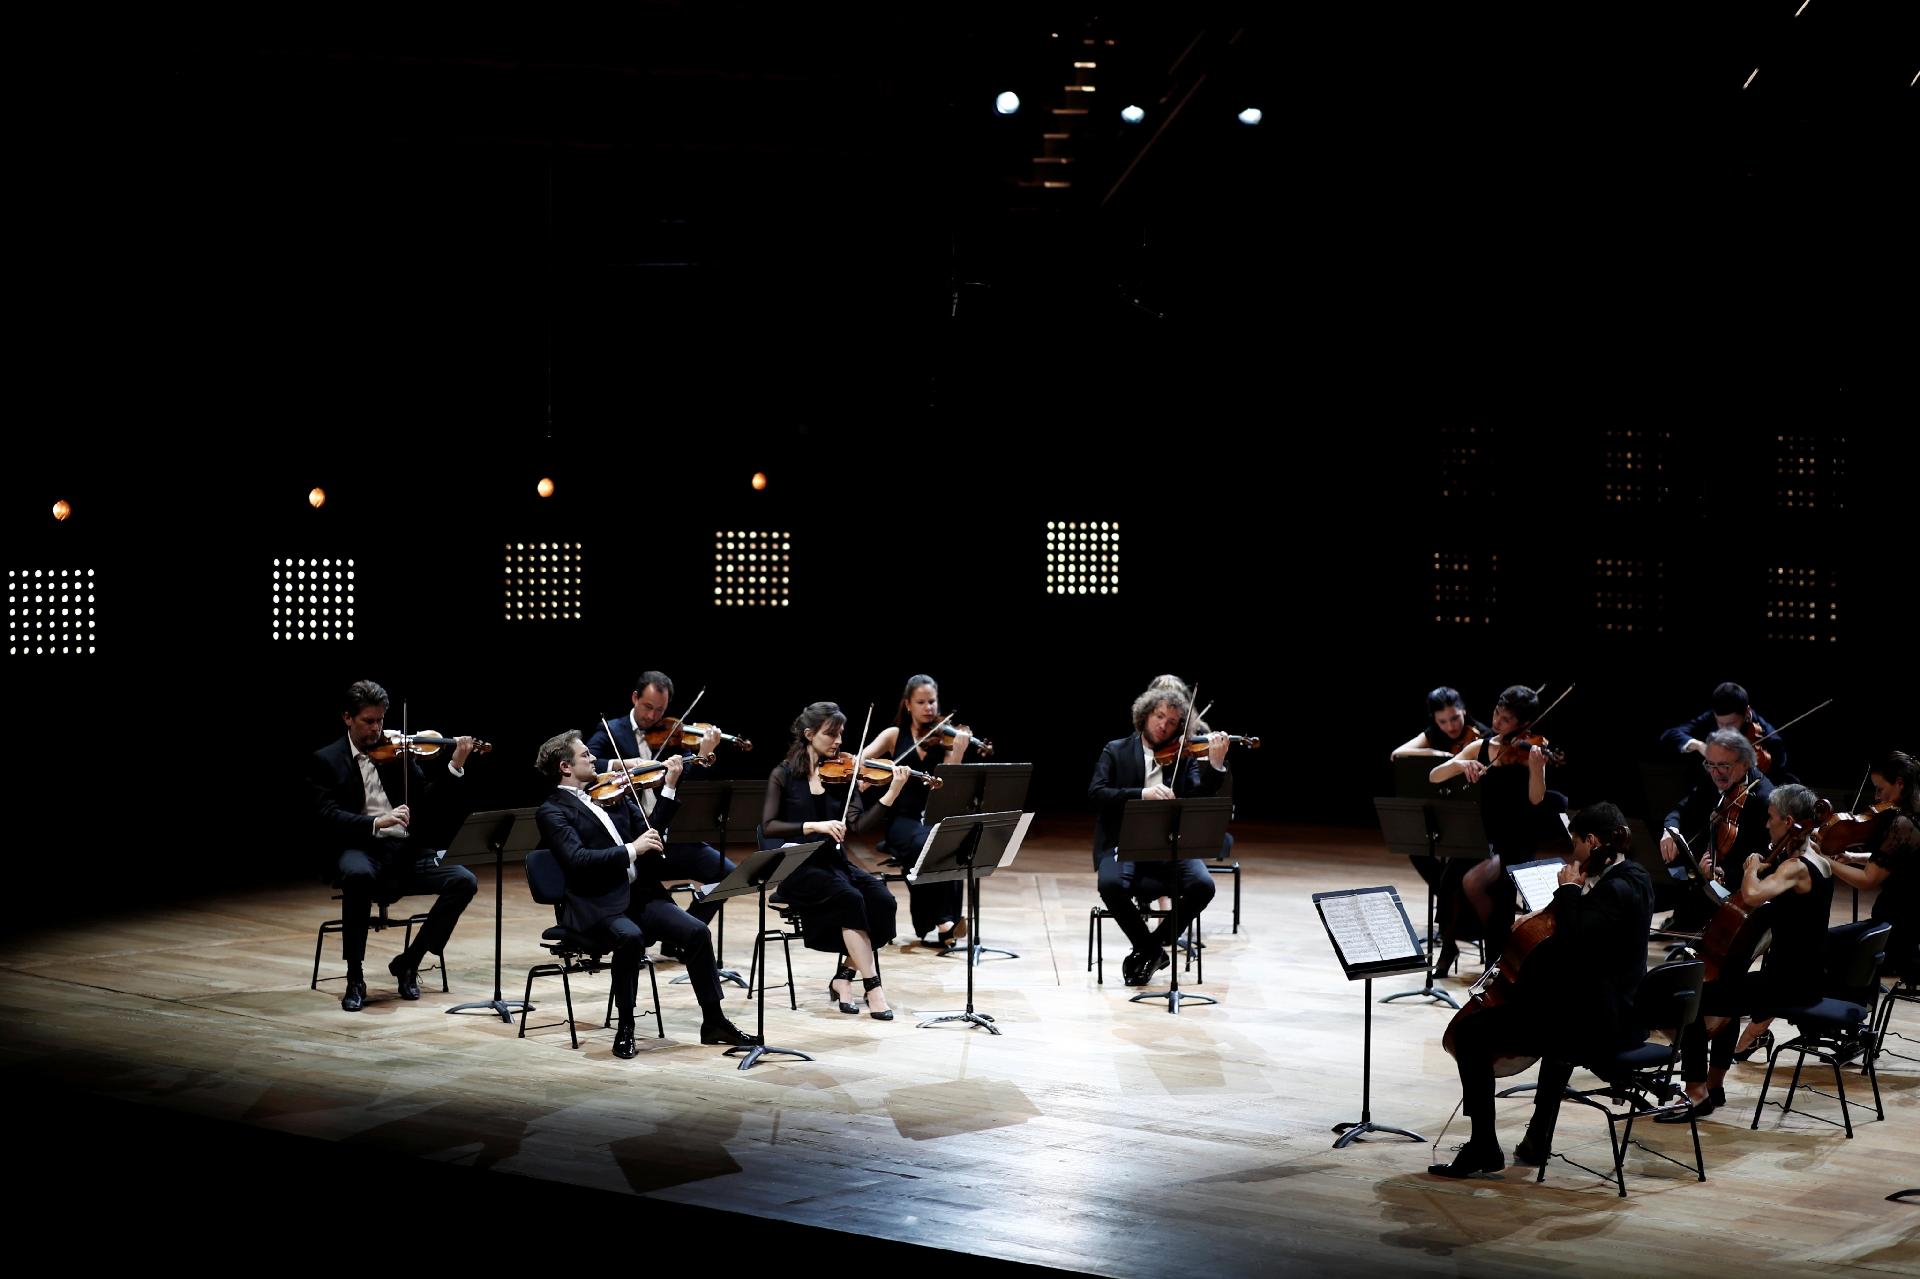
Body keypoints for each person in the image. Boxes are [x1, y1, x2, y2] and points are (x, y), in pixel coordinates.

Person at [1431, 801, 1655, 1177]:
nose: (1574, 854)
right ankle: (1537, 1140)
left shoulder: (1617, 889)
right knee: (1541, 1031)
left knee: (1471, 1032)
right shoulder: (1636, 876)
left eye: (1576, 845)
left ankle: (1483, 1146)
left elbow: (1576, 941)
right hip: (1601, 1009)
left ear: (1593, 840)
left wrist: (1568, 892)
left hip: (1596, 1023)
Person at [533, 730, 758, 1057]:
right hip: (597, 905)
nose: (595, 758)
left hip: (640, 896)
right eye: (586, 756)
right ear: (565, 767)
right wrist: (630, 850)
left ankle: (714, 1021)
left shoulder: (614, 794)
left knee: (696, 932)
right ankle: (626, 1026)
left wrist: (669, 786)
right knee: (631, 938)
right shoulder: (552, 811)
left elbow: (650, 836)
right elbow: (578, 861)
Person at [308, 679, 479, 1012]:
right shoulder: (326, 760)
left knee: (463, 880)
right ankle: (355, 977)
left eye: (381, 721)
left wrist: (454, 765)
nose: (377, 729)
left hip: (403, 854)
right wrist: (376, 822)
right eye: (368, 721)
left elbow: (427, 802)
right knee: (357, 876)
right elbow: (326, 816)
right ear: (347, 718)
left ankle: (409, 962)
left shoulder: (396, 755)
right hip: (359, 849)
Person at [761, 702, 907, 1020]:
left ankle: (844, 977)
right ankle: (873, 987)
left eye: (841, 733)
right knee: (850, 899)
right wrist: (814, 826)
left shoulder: (843, 774)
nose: (839, 740)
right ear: (810, 734)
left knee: (883, 901)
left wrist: (891, 792)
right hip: (798, 866)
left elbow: (859, 825)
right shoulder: (783, 775)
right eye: (831, 734)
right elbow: (769, 826)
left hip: (833, 862)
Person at [1089, 682, 1229, 987]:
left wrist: (1215, 765)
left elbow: (1197, 798)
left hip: (1167, 845)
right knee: (1111, 884)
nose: (1164, 726)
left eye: (1172, 722)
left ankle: (1151, 947)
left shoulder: (1182, 757)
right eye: (1159, 716)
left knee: (1204, 885)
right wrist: (1142, 794)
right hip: (1121, 841)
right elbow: (1097, 794)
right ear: (1145, 714)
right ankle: (1151, 950)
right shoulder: (1116, 750)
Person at [859, 674, 977, 949]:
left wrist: (957, 754)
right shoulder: (894, 735)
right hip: (902, 820)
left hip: (934, 819)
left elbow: (948, 790)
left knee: (948, 841)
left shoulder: (945, 739)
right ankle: (943, 921)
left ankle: (944, 922)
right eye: (921, 702)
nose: (928, 708)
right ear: (908, 704)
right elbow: (861, 758)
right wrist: (867, 774)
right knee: (927, 844)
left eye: (932, 701)